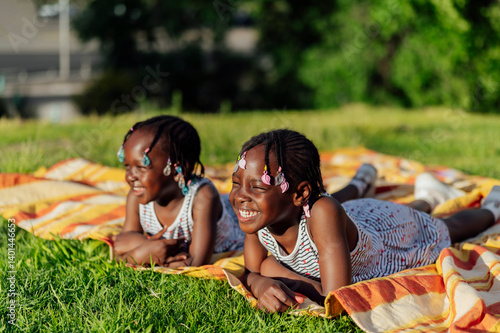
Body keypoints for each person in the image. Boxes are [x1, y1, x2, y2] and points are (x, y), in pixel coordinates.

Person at [229, 129, 500, 313]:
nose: (241, 197)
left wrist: (277, 275)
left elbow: (335, 295)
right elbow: (253, 271)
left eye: (257, 188)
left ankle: (492, 207)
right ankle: (428, 198)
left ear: (300, 194)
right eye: (236, 184)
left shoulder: (322, 213)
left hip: (389, 238)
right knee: (266, 266)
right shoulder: (256, 219)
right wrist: (262, 282)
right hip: (361, 217)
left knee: (446, 230)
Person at [113, 115, 245, 267]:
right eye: (127, 166)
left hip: (235, 223)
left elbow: (194, 262)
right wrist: (145, 252)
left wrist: (144, 255)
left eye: (141, 167)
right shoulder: (136, 195)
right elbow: (121, 244)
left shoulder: (203, 197)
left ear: (178, 170)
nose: (129, 177)